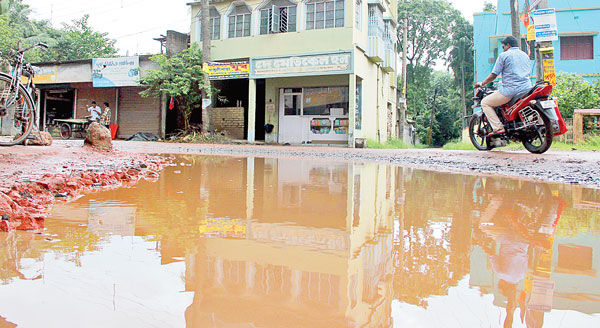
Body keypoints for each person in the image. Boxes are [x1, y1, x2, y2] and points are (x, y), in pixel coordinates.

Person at [474, 36, 532, 136]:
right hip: (527, 89)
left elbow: (493, 75)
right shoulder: (525, 55)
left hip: (511, 91)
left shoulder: (504, 55)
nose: (503, 48)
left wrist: (482, 83)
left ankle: (498, 128)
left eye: (503, 46)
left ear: (508, 45)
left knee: (485, 103)